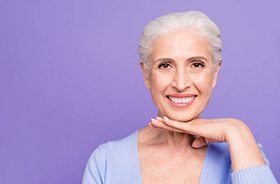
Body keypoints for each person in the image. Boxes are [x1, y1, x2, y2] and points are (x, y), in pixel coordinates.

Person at [82, 11, 278, 184]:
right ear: (146, 74)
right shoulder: (107, 161)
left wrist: (236, 129)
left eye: (196, 65)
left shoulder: (242, 151)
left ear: (215, 73)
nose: (181, 83)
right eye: (165, 65)